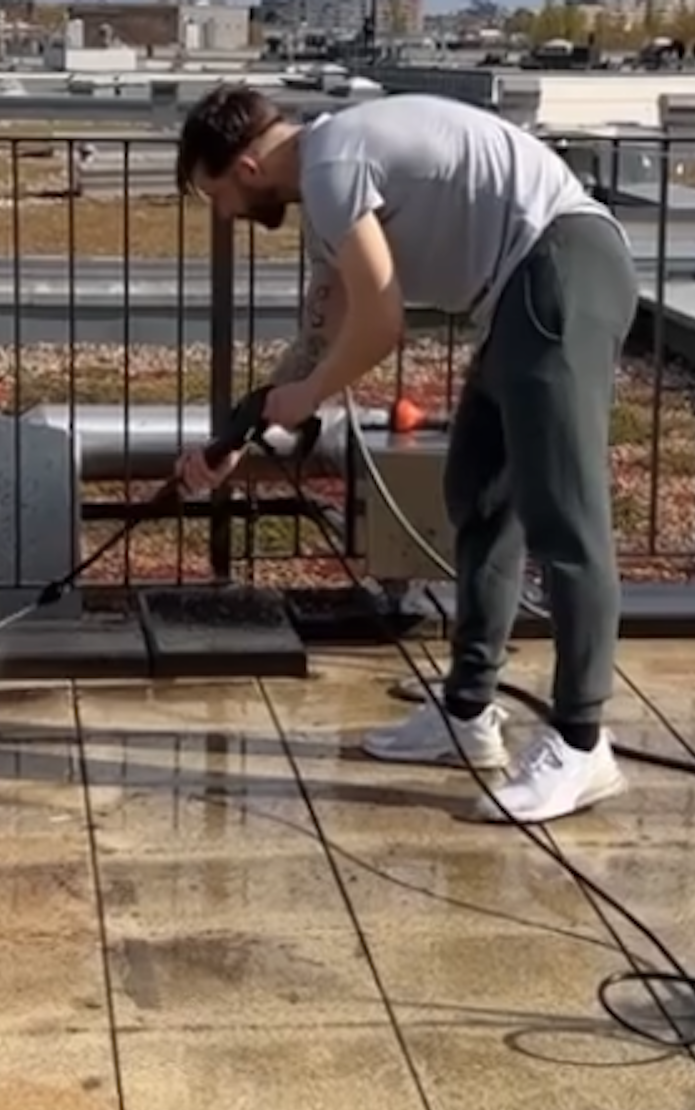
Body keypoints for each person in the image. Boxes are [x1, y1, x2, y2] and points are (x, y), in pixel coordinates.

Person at [173, 83, 641, 826]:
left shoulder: (331, 168)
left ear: (247, 168)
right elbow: (321, 340)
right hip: (518, 292)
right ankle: (467, 714)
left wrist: (311, 395)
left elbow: (382, 324)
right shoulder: (329, 183)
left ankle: (583, 744)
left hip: (559, 267)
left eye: (214, 195)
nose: (224, 215)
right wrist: (237, 441)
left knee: (564, 515)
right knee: (480, 496)